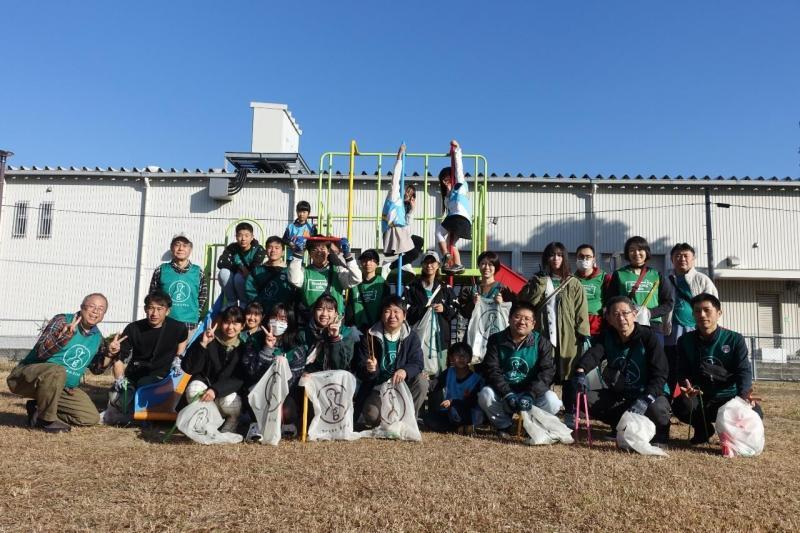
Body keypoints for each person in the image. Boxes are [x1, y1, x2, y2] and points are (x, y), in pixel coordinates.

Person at [7, 293, 121, 432]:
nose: (95, 311)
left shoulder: (97, 337)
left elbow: (97, 369)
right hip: (27, 378)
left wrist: (110, 354)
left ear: (104, 314)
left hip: (63, 388)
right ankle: (46, 420)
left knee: (90, 417)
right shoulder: (62, 320)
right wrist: (64, 337)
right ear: (82, 307)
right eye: (92, 306)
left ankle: (38, 410)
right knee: (57, 370)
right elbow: (41, 352)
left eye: (101, 309)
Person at [573, 296, 671, 446]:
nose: (621, 318)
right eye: (616, 314)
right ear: (609, 318)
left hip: (649, 394)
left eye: (625, 313)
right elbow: (593, 355)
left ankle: (661, 433)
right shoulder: (607, 336)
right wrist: (580, 372)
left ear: (634, 314)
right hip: (623, 395)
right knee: (587, 398)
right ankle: (620, 426)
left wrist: (646, 398)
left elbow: (661, 373)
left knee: (657, 407)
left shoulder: (648, 337)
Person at [673, 294, 762, 445]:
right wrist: (687, 387)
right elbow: (682, 370)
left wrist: (744, 395)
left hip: (728, 397)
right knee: (681, 405)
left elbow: (743, 370)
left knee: (755, 411)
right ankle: (703, 429)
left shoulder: (735, 339)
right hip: (701, 397)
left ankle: (732, 436)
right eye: (697, 311)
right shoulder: (684, 341)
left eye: (707, 310)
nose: (702, 315)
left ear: (719, 313)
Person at [519, 242, 589, 424]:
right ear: (546, 258)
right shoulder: (538, 280)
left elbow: (581, 311)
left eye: (559, 255)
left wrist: (583, 334)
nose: (555, 258)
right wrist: (540, 283)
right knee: (543, 374)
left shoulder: (573, 283)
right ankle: (541, 413)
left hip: (569, 338)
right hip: (543, 336)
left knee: (569, 377)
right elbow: (527, 302)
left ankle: (570, 414)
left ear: (564, 257)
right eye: (552, 255)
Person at [93, 291, 189, 423]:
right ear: (145, 309)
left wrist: (178, 358)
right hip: (135, 373)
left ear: (167, 311)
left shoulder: (177, 327)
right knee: (117, 396)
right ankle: (126, 411)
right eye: (151, 308)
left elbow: (183, 339)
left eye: (159, 309)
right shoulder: (133, 328)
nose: (154, 313)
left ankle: (141, 414)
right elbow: (119, 358)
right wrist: (120, 379)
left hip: (162, 376)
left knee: (145, 385)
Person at [478, 301, 562, 438]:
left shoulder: (542, 342)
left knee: (552, 400)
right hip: (505, 393)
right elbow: (491, 369)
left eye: (527, 319)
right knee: (485, 395)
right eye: (517, 317)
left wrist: (531, 394)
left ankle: (532, 427)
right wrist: (507, 393)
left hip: (531, 394)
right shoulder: (496, 339)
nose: (522, 322)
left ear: (533, 324)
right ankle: (505, 426)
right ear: (509, 319)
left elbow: (547, 372)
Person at [355, 295, 428, 426]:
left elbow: (418, 363)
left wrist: (405, 371)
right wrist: (370, 369)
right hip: (378, 388)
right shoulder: (369, 336)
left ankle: (408, 419)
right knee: (372, 415)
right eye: (387, 311)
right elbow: (359, 367)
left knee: (422, 382)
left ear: (404, 315)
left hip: (402, 386)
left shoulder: (411, 337)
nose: (392, 316)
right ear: (381, 315)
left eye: (396, 311)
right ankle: (387, 420)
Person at [239, 303, 306, 441]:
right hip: (258, 390)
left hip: (284, 394)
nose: (277, 322)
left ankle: (286, 423)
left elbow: (294, 378)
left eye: (283, 319)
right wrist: (267, 349)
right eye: (274, 317)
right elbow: (251, 372)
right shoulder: (254, 340)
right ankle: (256, 424)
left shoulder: (296, 346)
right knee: (254, 396)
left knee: (287, 410)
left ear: (290, 322)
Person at [181, 306, 246, 433]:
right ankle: (201, 421)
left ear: (242, 326)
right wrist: (203, 344)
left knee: (232, 402)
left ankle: (231, 421)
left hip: (224, 393)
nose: (230, 327)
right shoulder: (207, 338)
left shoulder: (243, 348)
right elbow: (189, 368)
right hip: (204, 390)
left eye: (235, 323)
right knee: (193, 389)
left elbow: (239, 378)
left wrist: (215, 390)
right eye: (227, 322)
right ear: (221, 323)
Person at [664, 243, 719, 391]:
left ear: (693, 258)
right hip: (670, 330)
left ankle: (695, 393)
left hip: (694, 330)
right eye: (677, 256)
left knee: (694, 364)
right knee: (671, 365)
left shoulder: (702, 279)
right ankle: (669, 396)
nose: (682, 259)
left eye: (685, 255)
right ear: (672, 259)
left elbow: (714, 306)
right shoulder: (666, 280)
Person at [603, 236, 673, 343]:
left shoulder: (656, 275)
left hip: (653, 325)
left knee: (655, 353)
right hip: (626, 325)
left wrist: (650, 313)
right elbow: (610, 301)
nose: (636, 253)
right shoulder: (619, 274)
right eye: (632, 250)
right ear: (627, 253)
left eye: (640, 249)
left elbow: (668, 303)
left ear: (646, 252)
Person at [288, 235, 361, 323]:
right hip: (312, 323)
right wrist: (298, 254)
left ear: (328, 251)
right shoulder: (305, 272)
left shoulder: (338, 270)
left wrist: (347, 255)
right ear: (309, 253)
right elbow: (294, 280)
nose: (319, 252)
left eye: (322, 249)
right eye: (314, 250)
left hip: (334, 324)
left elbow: (356, 278)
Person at [405, 251, 458, 366]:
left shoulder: (445, 288)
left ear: (438, 265)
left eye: (432, 262)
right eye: (426, 262)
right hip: (419, 337)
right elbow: (405, 311)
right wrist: (424, 309)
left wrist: (444, 309)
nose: (429, 265)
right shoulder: (412, 287)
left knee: (441, 370)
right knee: (419, 368)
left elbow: (455, 311)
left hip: (441, 339)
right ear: (422, 265)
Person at [149, 234, 207, 329]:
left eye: (185, 245)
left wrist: (196, 313)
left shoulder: (198, 271)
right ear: (172, 248)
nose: (181, 248)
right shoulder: (161, 270)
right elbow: (153, 295)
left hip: (190, 324)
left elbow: (203, 296)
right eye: (177, 244)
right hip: (165, 323)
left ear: (190, 249)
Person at [425, 342, 484, 433]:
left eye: (465, 355)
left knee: (453, 412)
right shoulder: (449, 372)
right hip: (449, 411)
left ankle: (462, 427)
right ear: (451, 358)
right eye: (458, 355)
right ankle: (459, 429)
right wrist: (425, 381)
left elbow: (472, 402)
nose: (462, 358)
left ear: (470, 359)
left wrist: (452, 402)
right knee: (428, 418)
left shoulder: (475, 379)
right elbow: (434, 385)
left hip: (468, 413)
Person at [436, 140, 471, 274]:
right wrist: (448, 192)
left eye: (447, 178)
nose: (446, 182)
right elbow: (448, 206)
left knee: (439, 232)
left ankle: (446, 255)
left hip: (458, 217)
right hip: (460, 219)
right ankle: (458, 265)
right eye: (443, 180)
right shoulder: (449, 195)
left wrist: (457, 150)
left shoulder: (460, 184)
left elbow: (459, 169)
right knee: (451, 243)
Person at [298, 294, 357, 373]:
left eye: (329, 310)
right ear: (314, 312)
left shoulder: (346, 333)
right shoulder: (304, 333)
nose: (324, 314)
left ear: (336, 314)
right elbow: (298, 362)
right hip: (310, 376)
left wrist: (335, 338)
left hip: (336, 377)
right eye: (320, 309)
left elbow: (341, 366)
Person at [217, 222, 266, 308]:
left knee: (239, 277)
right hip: (234, 279)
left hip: (250, 283)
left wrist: (244, 271)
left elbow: (255, 268)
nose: (243, 239)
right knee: (223, 272)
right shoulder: (232, 247)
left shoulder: (258, 249)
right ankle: (232, 302)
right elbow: (221, 262)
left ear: (252, 237)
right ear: (236, 237)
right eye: (240, 235)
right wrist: (240, 267)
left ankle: (244, 303)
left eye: (247, 235)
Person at [457, 250, 515, 321]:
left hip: (497, 327)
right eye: (483, 264)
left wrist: (502, 304)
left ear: (495, 267)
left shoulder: (503, 289)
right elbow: (463, 312)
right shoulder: (470, 288)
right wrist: (473, 303)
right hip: (476, 327)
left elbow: (514, 313)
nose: (486, 267)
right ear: (479, 266)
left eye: (490, 264)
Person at [244, 236, 295, 315]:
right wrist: (258, 306)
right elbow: (250, 290)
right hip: (261, 313)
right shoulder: (257, 271)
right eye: (270, 247)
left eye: (277, 248)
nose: (273, 250)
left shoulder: (290, 271)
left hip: (282, 315)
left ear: (283, 252)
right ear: (266, 250)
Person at [381, 144, 416, 258]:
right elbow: (395, 178)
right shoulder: (395, 196)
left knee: (416, 243)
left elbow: (408, 223)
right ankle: (394, 263)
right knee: (411, 250)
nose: (407, 194)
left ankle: (398, 263)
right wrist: (399, 156)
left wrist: (412, 210)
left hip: (399, 229)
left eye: (410, 194)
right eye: (407, 191)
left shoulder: (404, 207)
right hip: (392, 229)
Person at [347, 249, 389, 333]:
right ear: (360, 263)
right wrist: (351, 326)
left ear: (377, 264)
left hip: (377, 329)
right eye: (364, 260)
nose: (368, 263)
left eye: (371, 260)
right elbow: (350, 307)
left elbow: (386, 306)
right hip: (358, 330)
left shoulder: (382, 283)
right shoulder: (354, 283)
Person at [573, 243, 611, 338]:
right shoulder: (570, 279)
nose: (584, 259)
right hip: (575, 325)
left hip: (597, 326)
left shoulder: (604, 277)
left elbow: (610, 302)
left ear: (594, 259)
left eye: (588, 257)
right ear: (576, 258)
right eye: (581, 256)